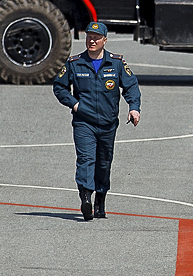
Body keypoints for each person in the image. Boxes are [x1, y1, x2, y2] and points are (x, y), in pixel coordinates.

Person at [54, 22, 141, 221]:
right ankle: (85, 198)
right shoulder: (75, 63)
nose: (92, 40)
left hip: (108, 124)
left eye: (96, 38)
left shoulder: (116, 63)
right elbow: (59, 87)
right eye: (89, 37)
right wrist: (74, 105)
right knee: (86, 159)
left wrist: (134, 108)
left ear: (104, 40)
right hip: (84, 122)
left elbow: (131, 86)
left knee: (103, 163)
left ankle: (100, 201)